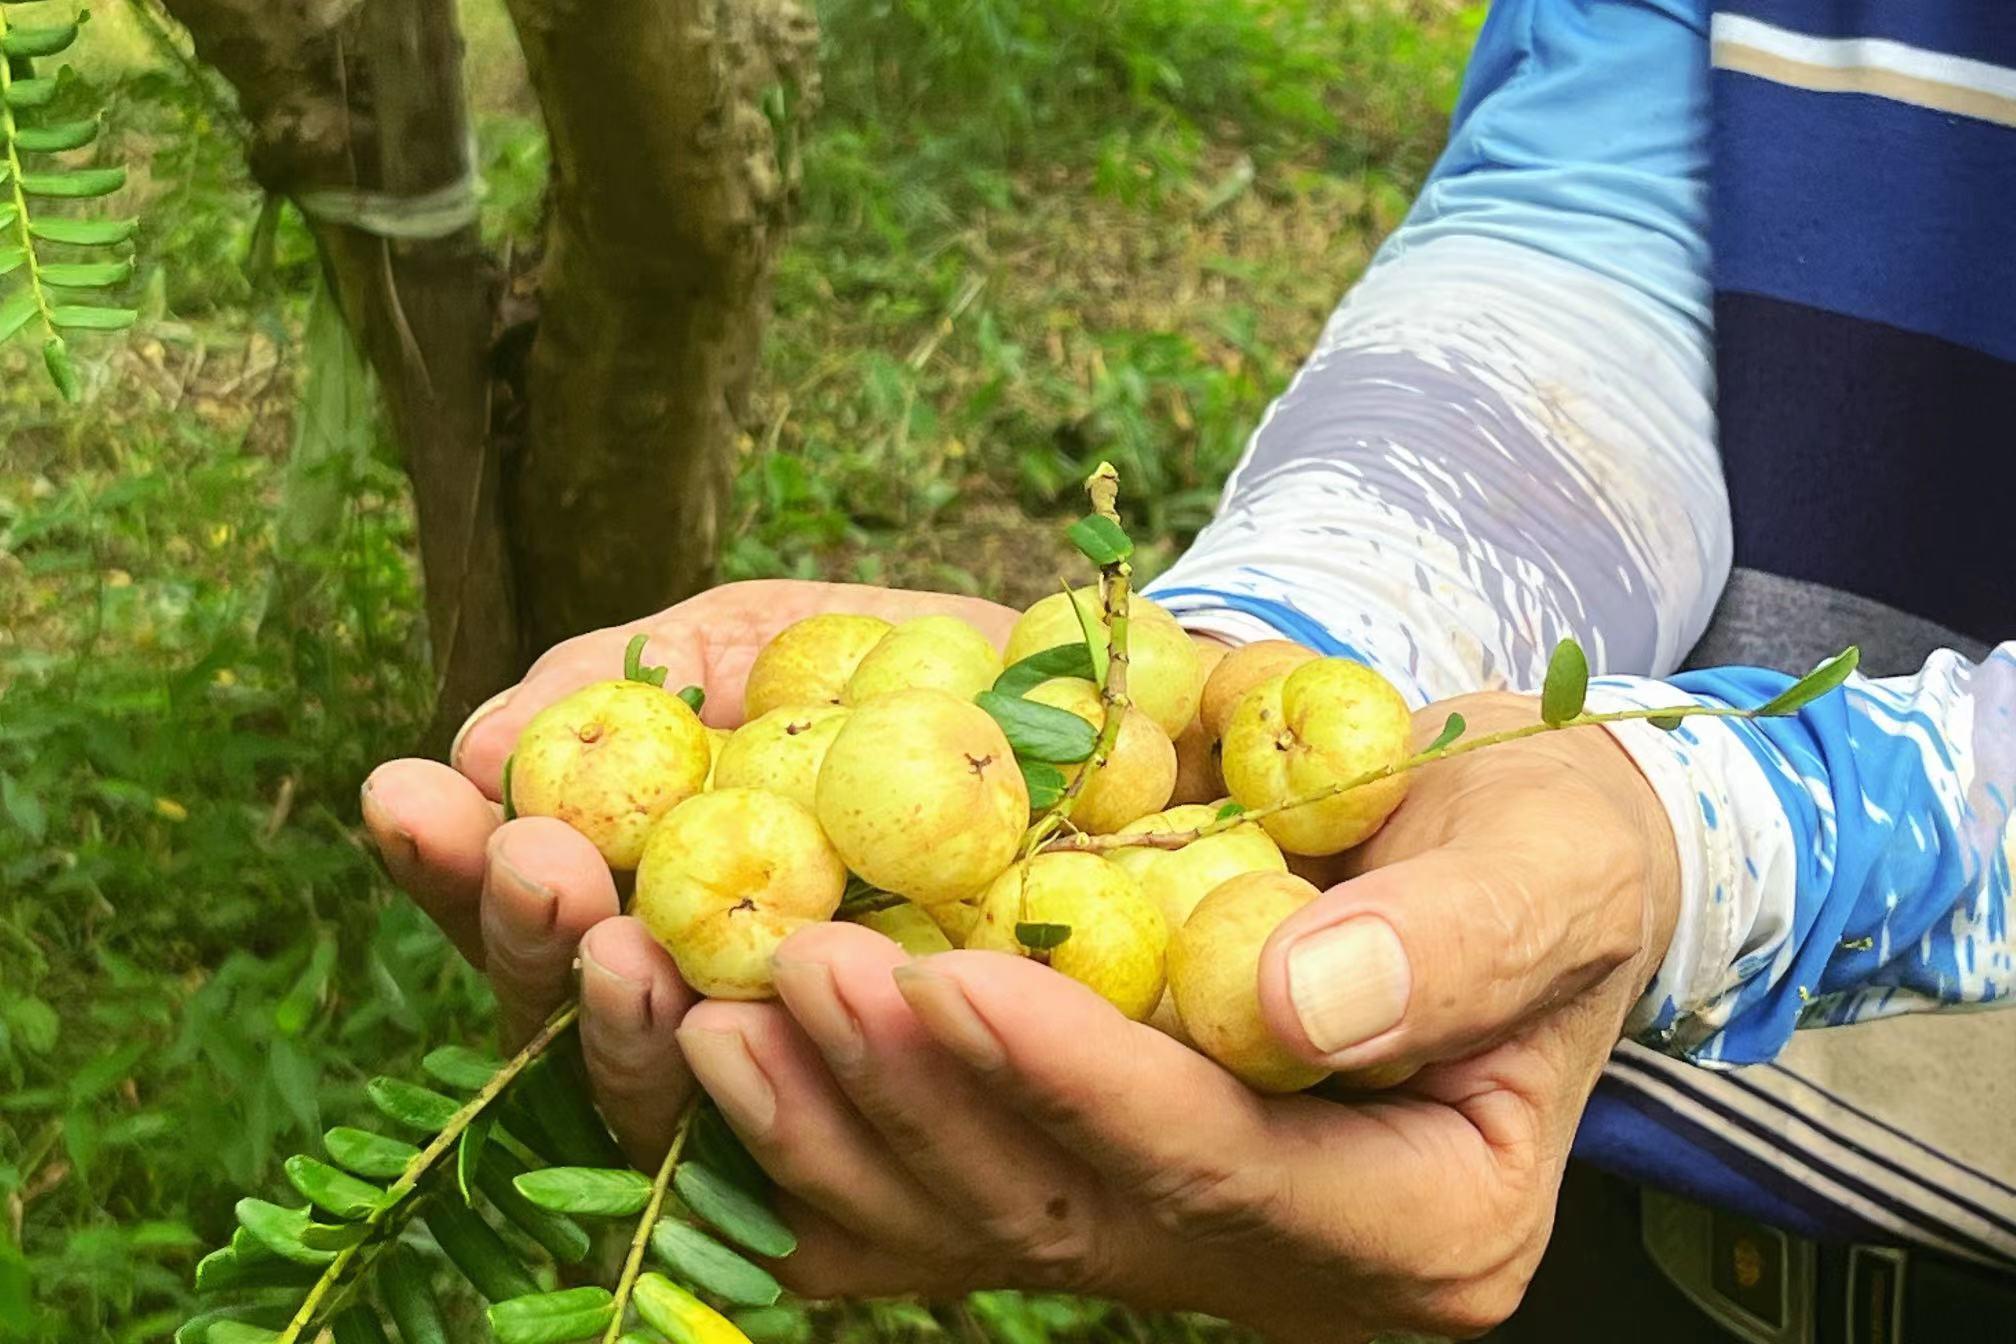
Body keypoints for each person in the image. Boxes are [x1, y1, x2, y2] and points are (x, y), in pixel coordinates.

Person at [360, 1, 2015, 1338]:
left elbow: (1727, 833)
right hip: (1606, 1162)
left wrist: (1752, 829)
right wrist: (1282, 645)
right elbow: (1605, 207)